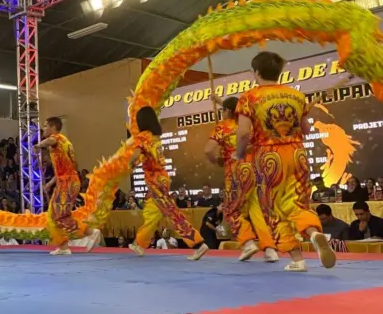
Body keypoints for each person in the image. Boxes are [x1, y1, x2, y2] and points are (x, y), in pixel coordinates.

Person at [234, 52, 335, 272]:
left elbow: (242, 134)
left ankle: (297, 259)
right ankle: (314, 232)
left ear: (256, 72)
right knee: (297, 203)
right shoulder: (296, 95)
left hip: (269, 157)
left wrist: (239, 154)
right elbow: (306, 129)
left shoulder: (249, 97)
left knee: (274, 209)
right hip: (297, 153)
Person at [128, 107, 209, 260]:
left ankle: (198, 244)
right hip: (162, 178)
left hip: (155, 181)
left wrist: (130, 164)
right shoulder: (155, 137)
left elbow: (135, 156)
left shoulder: (143, 137)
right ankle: (139, 243)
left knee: (172, 213)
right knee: (152, 212)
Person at [204, 96, 277, 262]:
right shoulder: (250, 125)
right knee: (257, 211)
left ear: (228, 111)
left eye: (223, 110)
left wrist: (217, 160)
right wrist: (219, 102)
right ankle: (270, 249)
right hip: (257, 171)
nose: (221, 113)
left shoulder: (222, 127)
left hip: (237, 172)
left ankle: (248, 241)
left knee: (230, 210)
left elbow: (208, 150)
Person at [35, 117, 101, 255]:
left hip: (68, 183)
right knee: (53, 215)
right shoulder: (65, 142)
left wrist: (38, 145)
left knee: (60, 215)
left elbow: (49, 141)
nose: (44, 128)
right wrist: (49, 184)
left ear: (53, 127)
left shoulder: (57, 139)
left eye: (46, 126)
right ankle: (63, 246)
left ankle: (90, 232)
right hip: (65, 181)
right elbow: (62, 170)